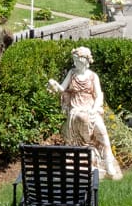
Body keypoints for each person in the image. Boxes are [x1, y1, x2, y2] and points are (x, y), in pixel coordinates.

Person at [47, 46, 123, 180]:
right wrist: (53, 84)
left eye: (78, 61)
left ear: (85, 61)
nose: (75, 63)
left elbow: (99, 95)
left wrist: (94, 109)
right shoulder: (72, 73)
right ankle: (81, 159)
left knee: (102, 132)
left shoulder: (93, 76)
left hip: (91, 109)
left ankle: (108, 162)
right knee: (81, 119)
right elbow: (62, 88)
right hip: (76, 109)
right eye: (74, 61)